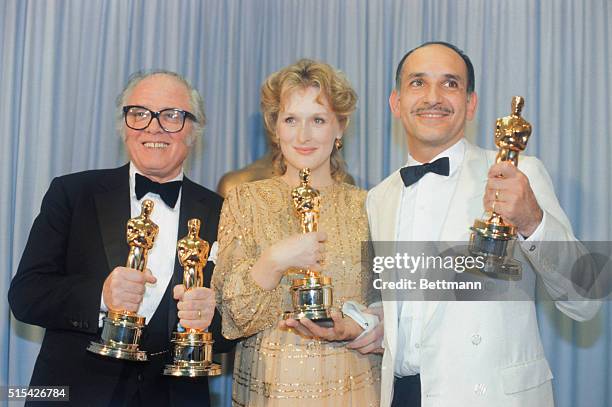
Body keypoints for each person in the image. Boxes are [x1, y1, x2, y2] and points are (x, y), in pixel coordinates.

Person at [359, 42, 600, 406]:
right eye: (418, 83)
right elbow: (404, 313)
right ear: (396, 102)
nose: (434, 97)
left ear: (471, 104)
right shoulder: (379, 198)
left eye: (450, 84)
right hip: (403, 395)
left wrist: (532, 220)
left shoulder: (520, 172)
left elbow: (586, 299)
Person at [8, 70, 233, 406]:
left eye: (172, 115)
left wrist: (211, 320)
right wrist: (101, 296)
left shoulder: (224, 211)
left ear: (194, 130)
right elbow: (25, 296)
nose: (154, 126)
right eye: (139, 113)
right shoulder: (72, 193)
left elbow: (233, 329)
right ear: (124, 126)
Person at [212, 59, 382, 406]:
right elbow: (230, 319)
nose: (303, 136)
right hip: (270, 389)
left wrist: (367, 323)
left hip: (355, 388)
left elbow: (390, 310)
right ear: (275, 127)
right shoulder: (245, 199)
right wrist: (274, 260)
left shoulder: (370, 206)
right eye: (291, 119)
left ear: (340, 128)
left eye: (318, 120)